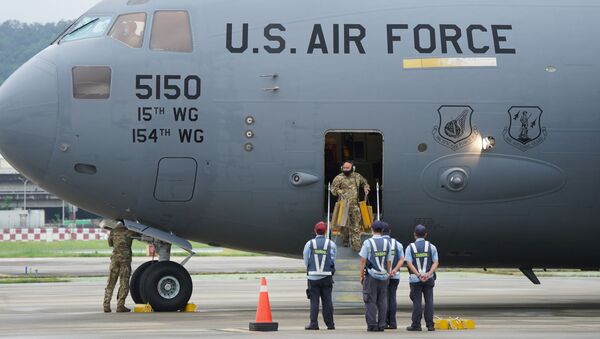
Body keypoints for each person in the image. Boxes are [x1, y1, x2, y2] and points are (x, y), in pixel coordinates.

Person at [359, 220, 392, 332]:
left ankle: (372, 325)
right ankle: (382, 324)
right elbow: (388, 261)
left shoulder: (368, 243)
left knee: (370, 300)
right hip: (383, 276)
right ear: (382, 230)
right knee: (382, 301)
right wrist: (388, 274)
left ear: (372, 230)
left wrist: (361, 275)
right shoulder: (387, 243)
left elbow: (363, 260)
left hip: (372, 275)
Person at [303, 221, 336, 330]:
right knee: (327, 301)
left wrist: (310, 269)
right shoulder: (331, 244)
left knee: (314, 302)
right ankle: (330, 324)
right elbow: (333, 258)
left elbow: (306, 259)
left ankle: (314, 323)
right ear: (326, 231)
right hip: (327, 276)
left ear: (315, 231)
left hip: (313, 277)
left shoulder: (309, 244)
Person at [405, 224, 439, 331]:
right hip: (429, 279)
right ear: (426, 234)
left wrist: (419, 275)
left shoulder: (410, 247)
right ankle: (430, 325)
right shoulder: (432, 247)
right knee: (429, 301)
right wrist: (428, 274)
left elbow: (409, 264)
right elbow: (435, 263)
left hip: (415, 279)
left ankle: (416, 325)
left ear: (414, 234)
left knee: (417, 302)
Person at [331, 161, 370, 252]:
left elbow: (365, 183)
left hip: (354, 206)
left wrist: (366, 187)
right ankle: (345, 243)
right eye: (344, 168)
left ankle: (357, 248)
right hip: (343, 206)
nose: (345, 170)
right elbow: (333, 190)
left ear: (352, 168)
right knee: (344, 226)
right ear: (342, 168)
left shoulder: (357, 176)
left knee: (356, 226)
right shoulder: (338, 178)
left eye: (347, 168)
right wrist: (339, 192)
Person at [102, 219, 137, 313]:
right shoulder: (129, 231)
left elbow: (110, 244)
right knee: (124, 282)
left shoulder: (113, 231)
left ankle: (106, 305)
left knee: (111, 282)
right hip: (125, 260)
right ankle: (120, 305)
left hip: (115, 259)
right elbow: (139, 235)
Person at [383, 222, 405, 329]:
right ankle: (393, 322)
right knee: (392, 297)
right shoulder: (398, 244)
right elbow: (402, 259)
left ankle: (384, 321)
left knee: (383, 298)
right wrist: (394, 270)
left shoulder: (379, 243)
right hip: (395, 275)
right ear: (390, 231)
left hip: (383, 276)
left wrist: (387, 272)